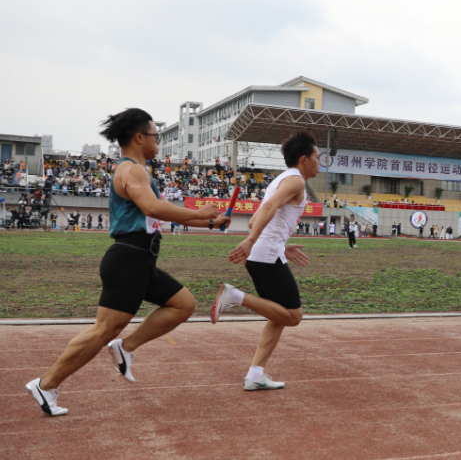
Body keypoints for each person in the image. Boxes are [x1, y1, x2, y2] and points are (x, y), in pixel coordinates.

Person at [26, 109, 227, 417]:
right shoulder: (132, 170)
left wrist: (210, 224)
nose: (158, 142)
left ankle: (126, 347)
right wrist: (200, 213)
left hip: (142, 259)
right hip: (128, 259)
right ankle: (46, 383)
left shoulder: (136, 170)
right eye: (155, 136)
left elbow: (151, 214)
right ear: (139, 137)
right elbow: (152, 207)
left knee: (183, 304)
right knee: (104, 329)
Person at [212, 132, 319, 392]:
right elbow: (269, 208)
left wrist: (280, 244)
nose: (319, 162)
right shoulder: (295, 182)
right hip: (265, 254)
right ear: (304, 159)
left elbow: (255, 219)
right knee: (293, 316)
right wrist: (251, 241)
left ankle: (255, 375)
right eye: (317, 157)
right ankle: (234, 296)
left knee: (278, 316)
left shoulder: (281, 180)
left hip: (264, 253)